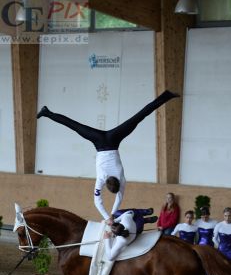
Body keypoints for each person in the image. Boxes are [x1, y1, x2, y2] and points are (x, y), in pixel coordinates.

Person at [37, 90, 179, 224]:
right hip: (99, 142)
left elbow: (119, 198)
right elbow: (97, 202)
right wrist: (108, 216)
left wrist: (111, 215)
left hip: (113, 140)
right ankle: (47, 113)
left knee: (139, 117)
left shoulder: (121, 179)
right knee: (75, 126)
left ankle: (166, 96)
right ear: (108, 185)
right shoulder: (101, 178)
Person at [171, 210, 198, 275]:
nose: (189, 219)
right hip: (181, 252)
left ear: (193, 218)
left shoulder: (195, 228)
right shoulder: (180, 226)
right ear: (185, 218)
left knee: (188, 273)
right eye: (187, 217)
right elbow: (172, 236)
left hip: (190, 251)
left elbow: (197, 240)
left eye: (191, 217)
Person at [194, 206, 218, 275]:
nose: (204, 218)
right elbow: (196, 236)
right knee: (199, 272)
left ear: (209, 215)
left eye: (206, 216)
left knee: (208, 273)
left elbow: (216, 236)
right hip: (200, 249)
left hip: (209, 249)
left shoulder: (214, 223)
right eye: (203, 217)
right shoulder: (197, 222)